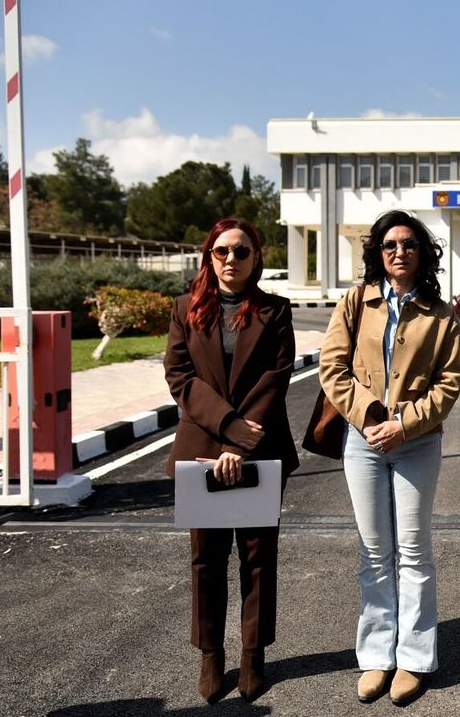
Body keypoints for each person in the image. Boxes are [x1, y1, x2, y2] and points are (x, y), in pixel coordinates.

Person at [319, 210, 460, 706]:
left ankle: (415, 659)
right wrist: (369, 416)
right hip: (362, 441)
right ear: (378, 253)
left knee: (414, 551)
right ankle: (377, 655)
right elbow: (332, 367)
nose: (399, 252)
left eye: (408, 244)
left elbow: (448, 386)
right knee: (374, 551)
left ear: (422, 252)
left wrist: (404, 424)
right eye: (390, 245)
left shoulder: (440, 316)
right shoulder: (356, 301)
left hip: (416, 442)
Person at [164, 217, 299, 703]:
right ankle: (210, 654)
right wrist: (227, 428)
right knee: (206, 558)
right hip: (202, 448)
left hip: (260, 448)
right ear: (209, 255)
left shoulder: (275, 310)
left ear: (255, 258)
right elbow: (180, 376)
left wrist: (240, 444)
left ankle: (252, 654)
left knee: (258, 558)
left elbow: (277, 376)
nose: (231, 259)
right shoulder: (185, 308)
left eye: (241, 251)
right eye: (222, 251)